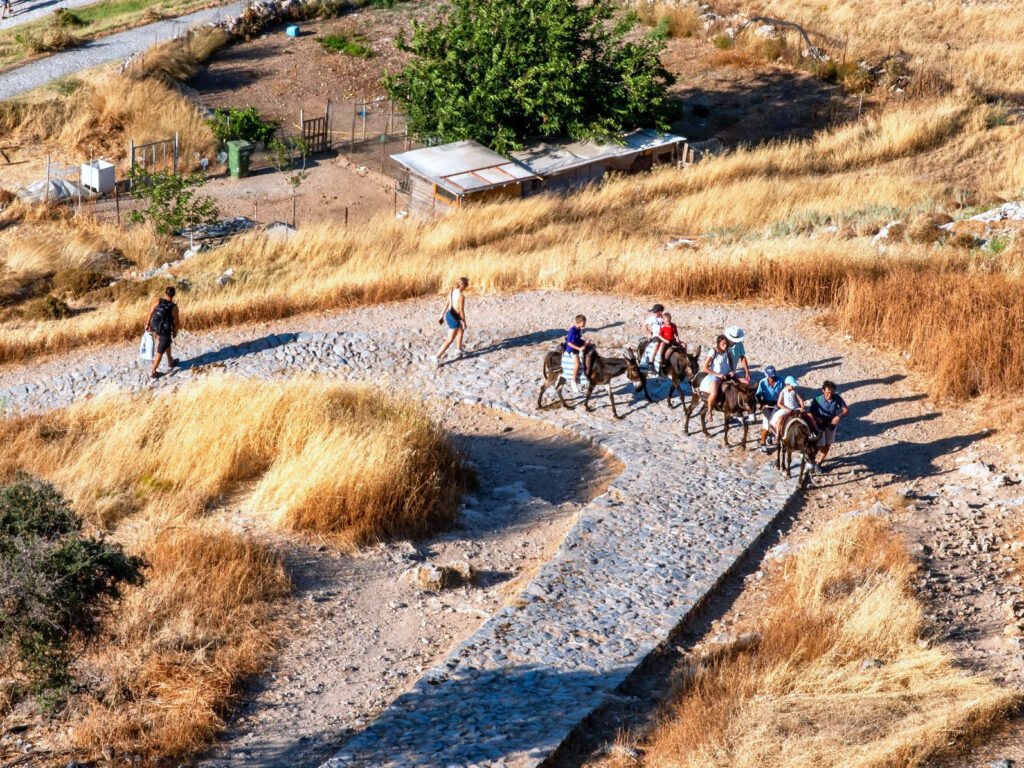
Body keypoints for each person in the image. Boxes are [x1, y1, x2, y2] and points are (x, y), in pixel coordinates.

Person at [809, 380, 850, 473]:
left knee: (828, 444)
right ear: (823, 390)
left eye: (831, 393)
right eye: (827, 393)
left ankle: (818, 463)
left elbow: (846, 410)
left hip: (831, 425)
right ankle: (812, 460)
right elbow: (810, 412)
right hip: (819, 426)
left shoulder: (837, 398)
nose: (829, 395)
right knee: (820, 445)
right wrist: (816, 418)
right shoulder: (817, 399)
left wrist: (839, 416)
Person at [146, 286, 180, 379]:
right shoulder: (174, 307)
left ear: (165, 293)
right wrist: (175, 331)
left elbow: (150, 312)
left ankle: (170, 361)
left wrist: (147, 324)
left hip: (154, 326)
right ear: (173, 295)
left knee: (167, 341)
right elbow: (176, 322)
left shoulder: (158, 301)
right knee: (160, 350)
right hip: (164, 330)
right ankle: (153, 372)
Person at [699, 334, 735, 421]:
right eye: (723, 344)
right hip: (714, 375)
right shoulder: (713, 352)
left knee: (742, 382)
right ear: (718, 343)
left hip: (726, 374)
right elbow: (706, 368)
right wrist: (718, 375)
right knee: (714, 393)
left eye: (726, 344)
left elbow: (730, 359)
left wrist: (731, 369)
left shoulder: (727, 349)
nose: (725, 346)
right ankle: (709, 411)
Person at [433, 277, 468, 366]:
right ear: (462, 285)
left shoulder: (452, 292)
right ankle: (436, 356)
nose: (467, 286)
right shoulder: (461, 296)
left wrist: (441, 315)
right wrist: (464, 322)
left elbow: (446, 304)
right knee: (449, 339)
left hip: (449, 314)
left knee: (460, 330)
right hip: (455, 318)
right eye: (466, 284)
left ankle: (458, 349)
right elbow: (461, 310)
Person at [755, 365, 784, 453]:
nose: (773, 377)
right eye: (771, 376)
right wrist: (761, 404)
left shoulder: (781, 380)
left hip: (778, 404)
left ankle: (775, 437)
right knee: (767, 424)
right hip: (767, 405)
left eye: (773, 375)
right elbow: (758, 395)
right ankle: (762, 443)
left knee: (781, 421)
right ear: (766, 375)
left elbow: (784, 392)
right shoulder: (762, 383)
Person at [565, 314, 588, 393]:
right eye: (584, 322)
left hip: (577, 346)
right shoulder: (572, 331)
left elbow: (578, 339)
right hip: (572, 350)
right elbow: (569, 343)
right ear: (580, 322)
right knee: (577, 364)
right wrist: (579, 348)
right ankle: (573, 382)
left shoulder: (578, 329)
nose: (585, 324)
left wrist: (585, 342)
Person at [643, 303, 665, 372]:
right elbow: (644, 325)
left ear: (660, 312)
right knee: (656, 346)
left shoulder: (664, 318)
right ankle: (650, 363)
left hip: (665, 336)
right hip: (657, 335)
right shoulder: (652, 318)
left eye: (655, 312)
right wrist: (649, 333)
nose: (653, 313)